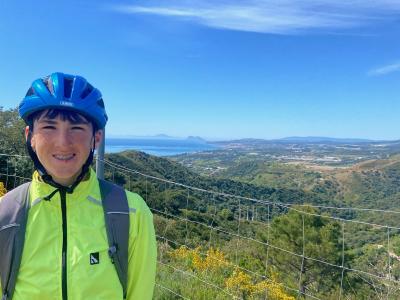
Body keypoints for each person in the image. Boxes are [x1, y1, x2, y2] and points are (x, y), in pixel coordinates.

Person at [0, 72, 157, 299]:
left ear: (97, 138)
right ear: (30, 136)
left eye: (76, 128)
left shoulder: (131, 213)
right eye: (49, 127)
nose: (63, 143)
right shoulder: (6, 215)